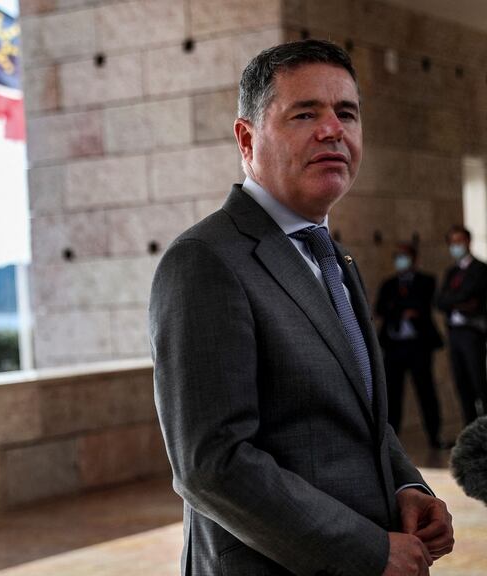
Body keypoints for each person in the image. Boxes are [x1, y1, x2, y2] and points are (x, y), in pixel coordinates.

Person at [149, 39, 454, 575]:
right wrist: (367, 551)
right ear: (247, 139)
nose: (333, 129)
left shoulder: (334, 257)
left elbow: (360, 415)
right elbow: (212, 466)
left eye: (347, 113)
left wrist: (407, 484)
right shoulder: (205, 260)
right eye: (305, 113)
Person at [375, 243, 445, 448]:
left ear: (414, 259)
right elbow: (380, 309)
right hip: (394, 347)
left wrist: (396, 306)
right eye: (397, 256)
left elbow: (421, 306)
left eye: (404, 256)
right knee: (393, 394)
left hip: (418, 346)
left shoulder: (426, 280)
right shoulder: (388, 284)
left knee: (426, 391)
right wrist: (402, 307)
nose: (400, 260)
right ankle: (391, 441)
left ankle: (434, 436)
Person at [436, 225, 487, 425]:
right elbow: (440, 301)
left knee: (478, 383)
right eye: (452, 242)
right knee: (461, 384)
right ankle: (471, 431)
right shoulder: (451, 271)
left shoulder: (480, 269)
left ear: (468, 242)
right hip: (455, 333)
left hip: (472, 332)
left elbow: (470, 294)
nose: (455, 246)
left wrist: (454, 299)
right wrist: (458, 301)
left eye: (459, 241)